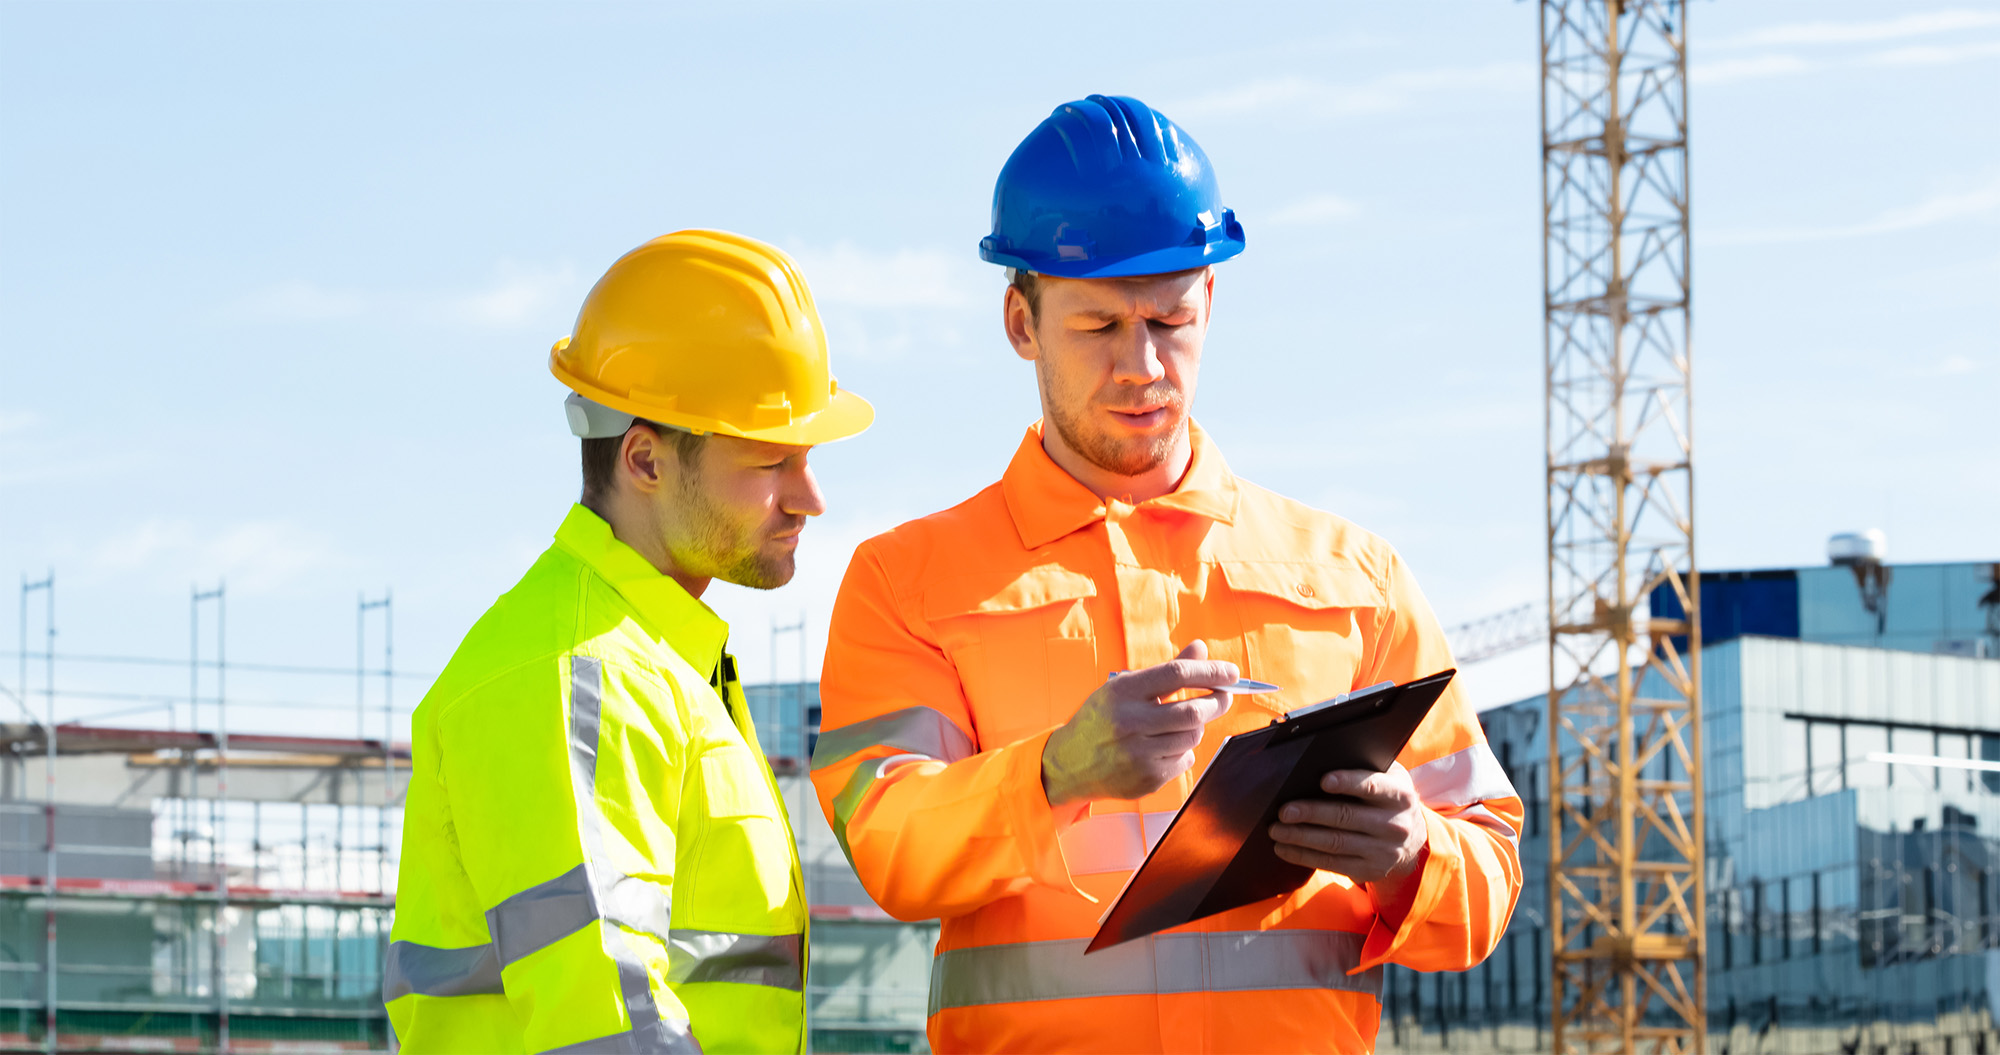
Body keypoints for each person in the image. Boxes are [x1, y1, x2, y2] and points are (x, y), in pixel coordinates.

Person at [811, 96, 1521, 1053]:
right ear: (1020, 320)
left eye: (1170, 319)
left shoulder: (1356, 578)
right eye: (1098, 324)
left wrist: (1411, 856)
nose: (1142, 365)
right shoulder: (910, 582)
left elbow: (1486, 881)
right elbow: (888, 847)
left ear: (1211, 304)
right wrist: (1056, 774)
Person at [385, 229, 871, 1052]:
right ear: (645, 459)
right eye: (769, 462)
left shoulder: (656, 661)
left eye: (808, 457)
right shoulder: (580, 671)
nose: (809, 497)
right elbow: (607, 1021)